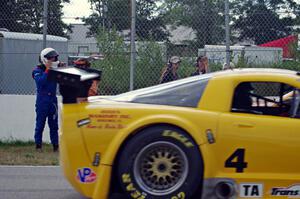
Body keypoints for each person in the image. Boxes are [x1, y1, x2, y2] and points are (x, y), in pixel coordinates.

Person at [32, 48, 61, 152]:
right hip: (42, 99)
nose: (53, 60)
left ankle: (55, 146)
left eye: (54, 58)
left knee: (54, 124)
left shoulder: (54, 70)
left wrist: (62, 68)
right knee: (40, 123)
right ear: (44, 59)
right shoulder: (37, 70)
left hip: (52, 99)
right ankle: (38, 145)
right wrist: (47, 70)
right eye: (51, 58)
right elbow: (40, 82)